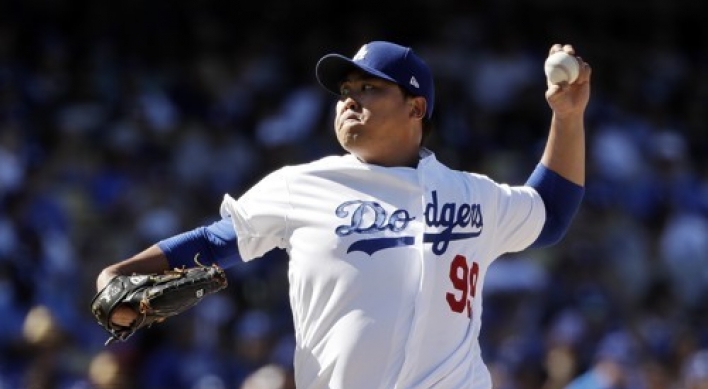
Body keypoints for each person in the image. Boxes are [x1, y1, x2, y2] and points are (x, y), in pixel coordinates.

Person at [95, 40, 591, 388]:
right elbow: (219, 239)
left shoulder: (472, 194)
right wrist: (122, 272)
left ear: (416, 108)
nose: (349, 99)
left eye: (370, 88)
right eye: (345, 90)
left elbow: (550, 211)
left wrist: (566, 118)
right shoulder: (301, 185)